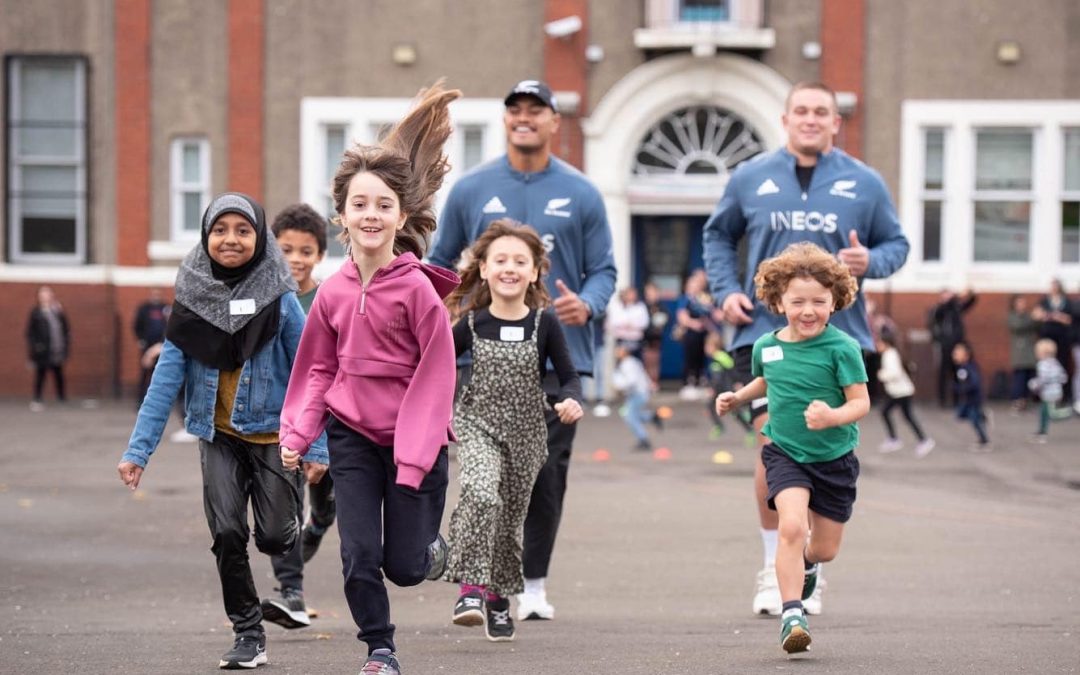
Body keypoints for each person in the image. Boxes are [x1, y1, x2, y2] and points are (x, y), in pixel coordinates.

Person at [702, 81, 909, 617]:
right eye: (802, 111)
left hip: (842, 338)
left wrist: (872, 263)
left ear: (836, 122)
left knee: (827, 444)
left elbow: (897, 245)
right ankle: (775, 564)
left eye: (823, 111)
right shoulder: (750, 176)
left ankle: (811, 557)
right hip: (765, 336)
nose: (812, 119)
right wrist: (726, 290)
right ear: (785, 118)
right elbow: (718, 236)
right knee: (771, 439)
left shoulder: (864, 182)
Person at [278, 82, 461, 675]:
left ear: (401, 216)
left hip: (416, 445)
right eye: (360, 204)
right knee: (359, 554)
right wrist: (300, 431)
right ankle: (380, 649)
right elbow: (316, 369)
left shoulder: (417, 292)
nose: (371, 215)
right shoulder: (331, 292)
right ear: (343, 217)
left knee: (405, 566)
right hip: (353, 436)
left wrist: (413, 459)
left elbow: (434, 383)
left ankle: (431, 548)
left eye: (383, 205)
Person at [428, 78, 616, 622]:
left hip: (558, 359)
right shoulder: (472, 189)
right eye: (516, 109)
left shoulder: (582, 193)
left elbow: (605, 267)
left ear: (555, 122)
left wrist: (590, 302)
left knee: (543, 478)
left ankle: (532, 585)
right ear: (506, 119)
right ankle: (476, 583)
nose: (525, 117)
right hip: (480, 359)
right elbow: (442, 267)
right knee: (484, 474)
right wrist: (441, 320)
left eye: (537, 109)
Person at [116, 192, 329, 670]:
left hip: (276, 437)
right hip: (219, 436)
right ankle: (248, 633)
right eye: (220, 230)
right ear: (206, 236)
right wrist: (138, 451)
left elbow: (310, 371)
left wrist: (316, 445)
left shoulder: (280, 297)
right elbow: (165, 379)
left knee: (274, 537)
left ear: (258, 238)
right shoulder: (191, 298)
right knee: (228, 532)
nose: (230, 239)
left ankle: (293, 524)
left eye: (242, 230)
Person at [715, 242, 869, 654]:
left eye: (818, 301)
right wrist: (738, 397)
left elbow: (861, 402)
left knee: (823, 548)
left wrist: (833, 416)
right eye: (797, 301)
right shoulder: (767, 345)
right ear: (778, 300)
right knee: (791, 527)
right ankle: (791, 615)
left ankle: (810, 564)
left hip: (834, 458)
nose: (807, 310)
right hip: (785, 453)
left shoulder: (843, 348)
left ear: (835, 301)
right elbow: (766, 380)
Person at [441, 220, 583, 643]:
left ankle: (499, 598)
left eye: (520, 261)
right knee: (481, 494)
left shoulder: (546, 325)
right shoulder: (469, 325)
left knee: (507, 522)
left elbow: (570, 377)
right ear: (482, 269)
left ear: (535, 271)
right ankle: (469, 592)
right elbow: (436, 365)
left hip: (526, 433)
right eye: (500, 260)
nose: (510, 268)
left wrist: (570, 399)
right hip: (477, 424)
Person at [259, 203, 330, 630]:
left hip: (330, 419)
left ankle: (319, 526)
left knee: (325, 505)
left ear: (319, 254)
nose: (296, 259)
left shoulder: (327, 298)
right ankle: (292, 594)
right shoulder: (265, 299)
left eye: (305, 251)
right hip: (281, 422)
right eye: (286, 249)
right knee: (285, 505)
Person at [875, 333, 935, 457]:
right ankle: (899, 439)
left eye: (879, 343)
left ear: (886, 343)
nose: (877, 345)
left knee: (890, 413)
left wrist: (881, 374)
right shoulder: (891, 353)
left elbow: (894, 373)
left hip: (901, 392)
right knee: (899, 414)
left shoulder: (889, 355)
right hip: (900, 391)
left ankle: (921, 440)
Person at [929, 289, 977, 408]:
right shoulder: (939, 309)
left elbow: (970, 302)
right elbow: (938, 314)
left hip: (957, 345)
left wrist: (971, 292)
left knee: (958, 372)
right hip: (945, 345)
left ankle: (957, 400)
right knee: (943, 372)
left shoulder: (956, 308)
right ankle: (942, 400)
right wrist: (953, 297)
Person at [26, 285, 70, 411]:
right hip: (43, 350)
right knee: (41, 374)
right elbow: (30, 332)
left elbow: (65, 328)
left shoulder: (57, 311)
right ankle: (37, 398)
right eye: (43, 295)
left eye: (48, 294)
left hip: (56, 348)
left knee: (58, 373)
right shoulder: (36, 313)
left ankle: (61, 397)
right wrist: (36, 346)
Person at [674, 270, 713, 400]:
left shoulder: (703, 298)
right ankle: (687, 384)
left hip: (703, 335)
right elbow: (681, 316)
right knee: (690, 359)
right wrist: (693, 324)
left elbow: (711, 314)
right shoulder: (686, 299)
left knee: (701, 360)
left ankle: (699, 383)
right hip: (690, 335)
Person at [611, 340, 656, 452]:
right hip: (638, 393)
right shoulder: (632, 362)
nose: (616, 351)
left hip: (637, 394)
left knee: (630, 417)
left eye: (619, 349)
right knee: (633, 415)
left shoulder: (628, 364)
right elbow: (644, 376)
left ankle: (644, 440)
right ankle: (652, 417)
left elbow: (632, 381)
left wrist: (620, 386)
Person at [1034, 279, 1073, 400]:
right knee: (1045, 363)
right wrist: (1051, 316)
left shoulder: (1066, 301)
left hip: (1062, 337)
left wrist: (1057, 317)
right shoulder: (1044, 301)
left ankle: (1062, 394)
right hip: (1047, 336)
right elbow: (1037, 315)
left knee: (1061, 363)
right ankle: (1042, 393)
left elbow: (1069, 319)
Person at [133, 288, 170, 406]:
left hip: (162, 346)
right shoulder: (144, 308)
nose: (156, 296)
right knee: (145, 373)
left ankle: (159, 401)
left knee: (160, 373)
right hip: (147, 345)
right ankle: (141, 400)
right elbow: (136, 325)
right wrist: (140, 339)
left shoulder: (166, 308)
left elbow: (170, 326)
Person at [951, 341, 990, 451]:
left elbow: (974, 382)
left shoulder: (968, 367)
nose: (955, 355)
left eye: (957, 353)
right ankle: (982, 416)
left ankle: (984, 440)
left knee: (974, 419)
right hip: (968, 398)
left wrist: (962, 388)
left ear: (966, 354)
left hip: (974, 398)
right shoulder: (961, 368)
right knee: (962, 415)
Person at [1029, 338, 1070, 443]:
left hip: (1048, 394)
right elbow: (1063, 377)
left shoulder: (1042, 364)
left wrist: (1034, 384)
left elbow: (1042, 379)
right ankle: (1042, 432)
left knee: (1052, 414)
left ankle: (1072, 411)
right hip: (1056, 391)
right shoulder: (1056, 363)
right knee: (1043, 413)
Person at [1007, 294, 1039, 412]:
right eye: (1020, 302)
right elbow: (1018, 326)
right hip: (1019, 352)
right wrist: (1033, 318)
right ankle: (1017, 400)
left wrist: (1039, 318)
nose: (1022, 305)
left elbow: (1037, 327)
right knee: (1019, 378)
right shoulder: (1013, 316)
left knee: (1030, 378)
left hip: (1030, 351)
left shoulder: (1028, 316)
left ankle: (1027, 401)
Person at [605, 286, 649, 358]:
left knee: (634, 362)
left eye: (633, 294)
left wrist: (631, 325)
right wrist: (625, 324)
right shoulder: (616, 306)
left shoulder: (641, 306)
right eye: (629, 294)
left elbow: (644, 323)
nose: (631, 296)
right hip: (620, 340)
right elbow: (613, 322)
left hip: (635, 341)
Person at [641, 281, 668, 386]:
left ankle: (654, 382)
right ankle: (647, 383)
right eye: (648, 293)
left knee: (654, 361)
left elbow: (666, 319)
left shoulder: (661, 307)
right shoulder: (643, 306)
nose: (650, 295)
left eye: (653, 292)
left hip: (656, 339)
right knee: (646, 361)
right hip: (645, 338)